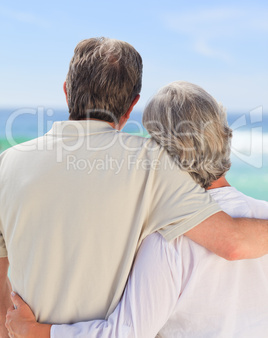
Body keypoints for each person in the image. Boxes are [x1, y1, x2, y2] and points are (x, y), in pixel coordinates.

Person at [1, 43, 268, 337]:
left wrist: (25, 331)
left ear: (66, 90)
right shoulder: (150, 168)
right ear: (131, 105)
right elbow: (231, 240)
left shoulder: (6, 162)